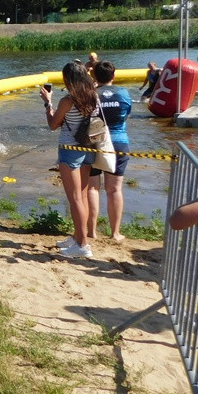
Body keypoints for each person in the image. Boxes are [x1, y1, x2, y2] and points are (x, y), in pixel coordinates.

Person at [41, 61, 99, 258]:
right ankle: (77, 237)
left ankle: (82, 245)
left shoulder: (68, 100)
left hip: (70, 149)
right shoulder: (94, 96)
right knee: (81, 196)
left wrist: (47, 102)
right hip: (89, 148)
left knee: (75, 198)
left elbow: (52, 124)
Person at [86, 61, 131, 243]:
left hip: (94, 142)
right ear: (114, 75)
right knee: (114, 190)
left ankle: (91, 232)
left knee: (92, 187)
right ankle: (115, 233)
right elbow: (126, 114)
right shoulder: (124, 93)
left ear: (94, 76)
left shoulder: (90, 95)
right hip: (119, 142)